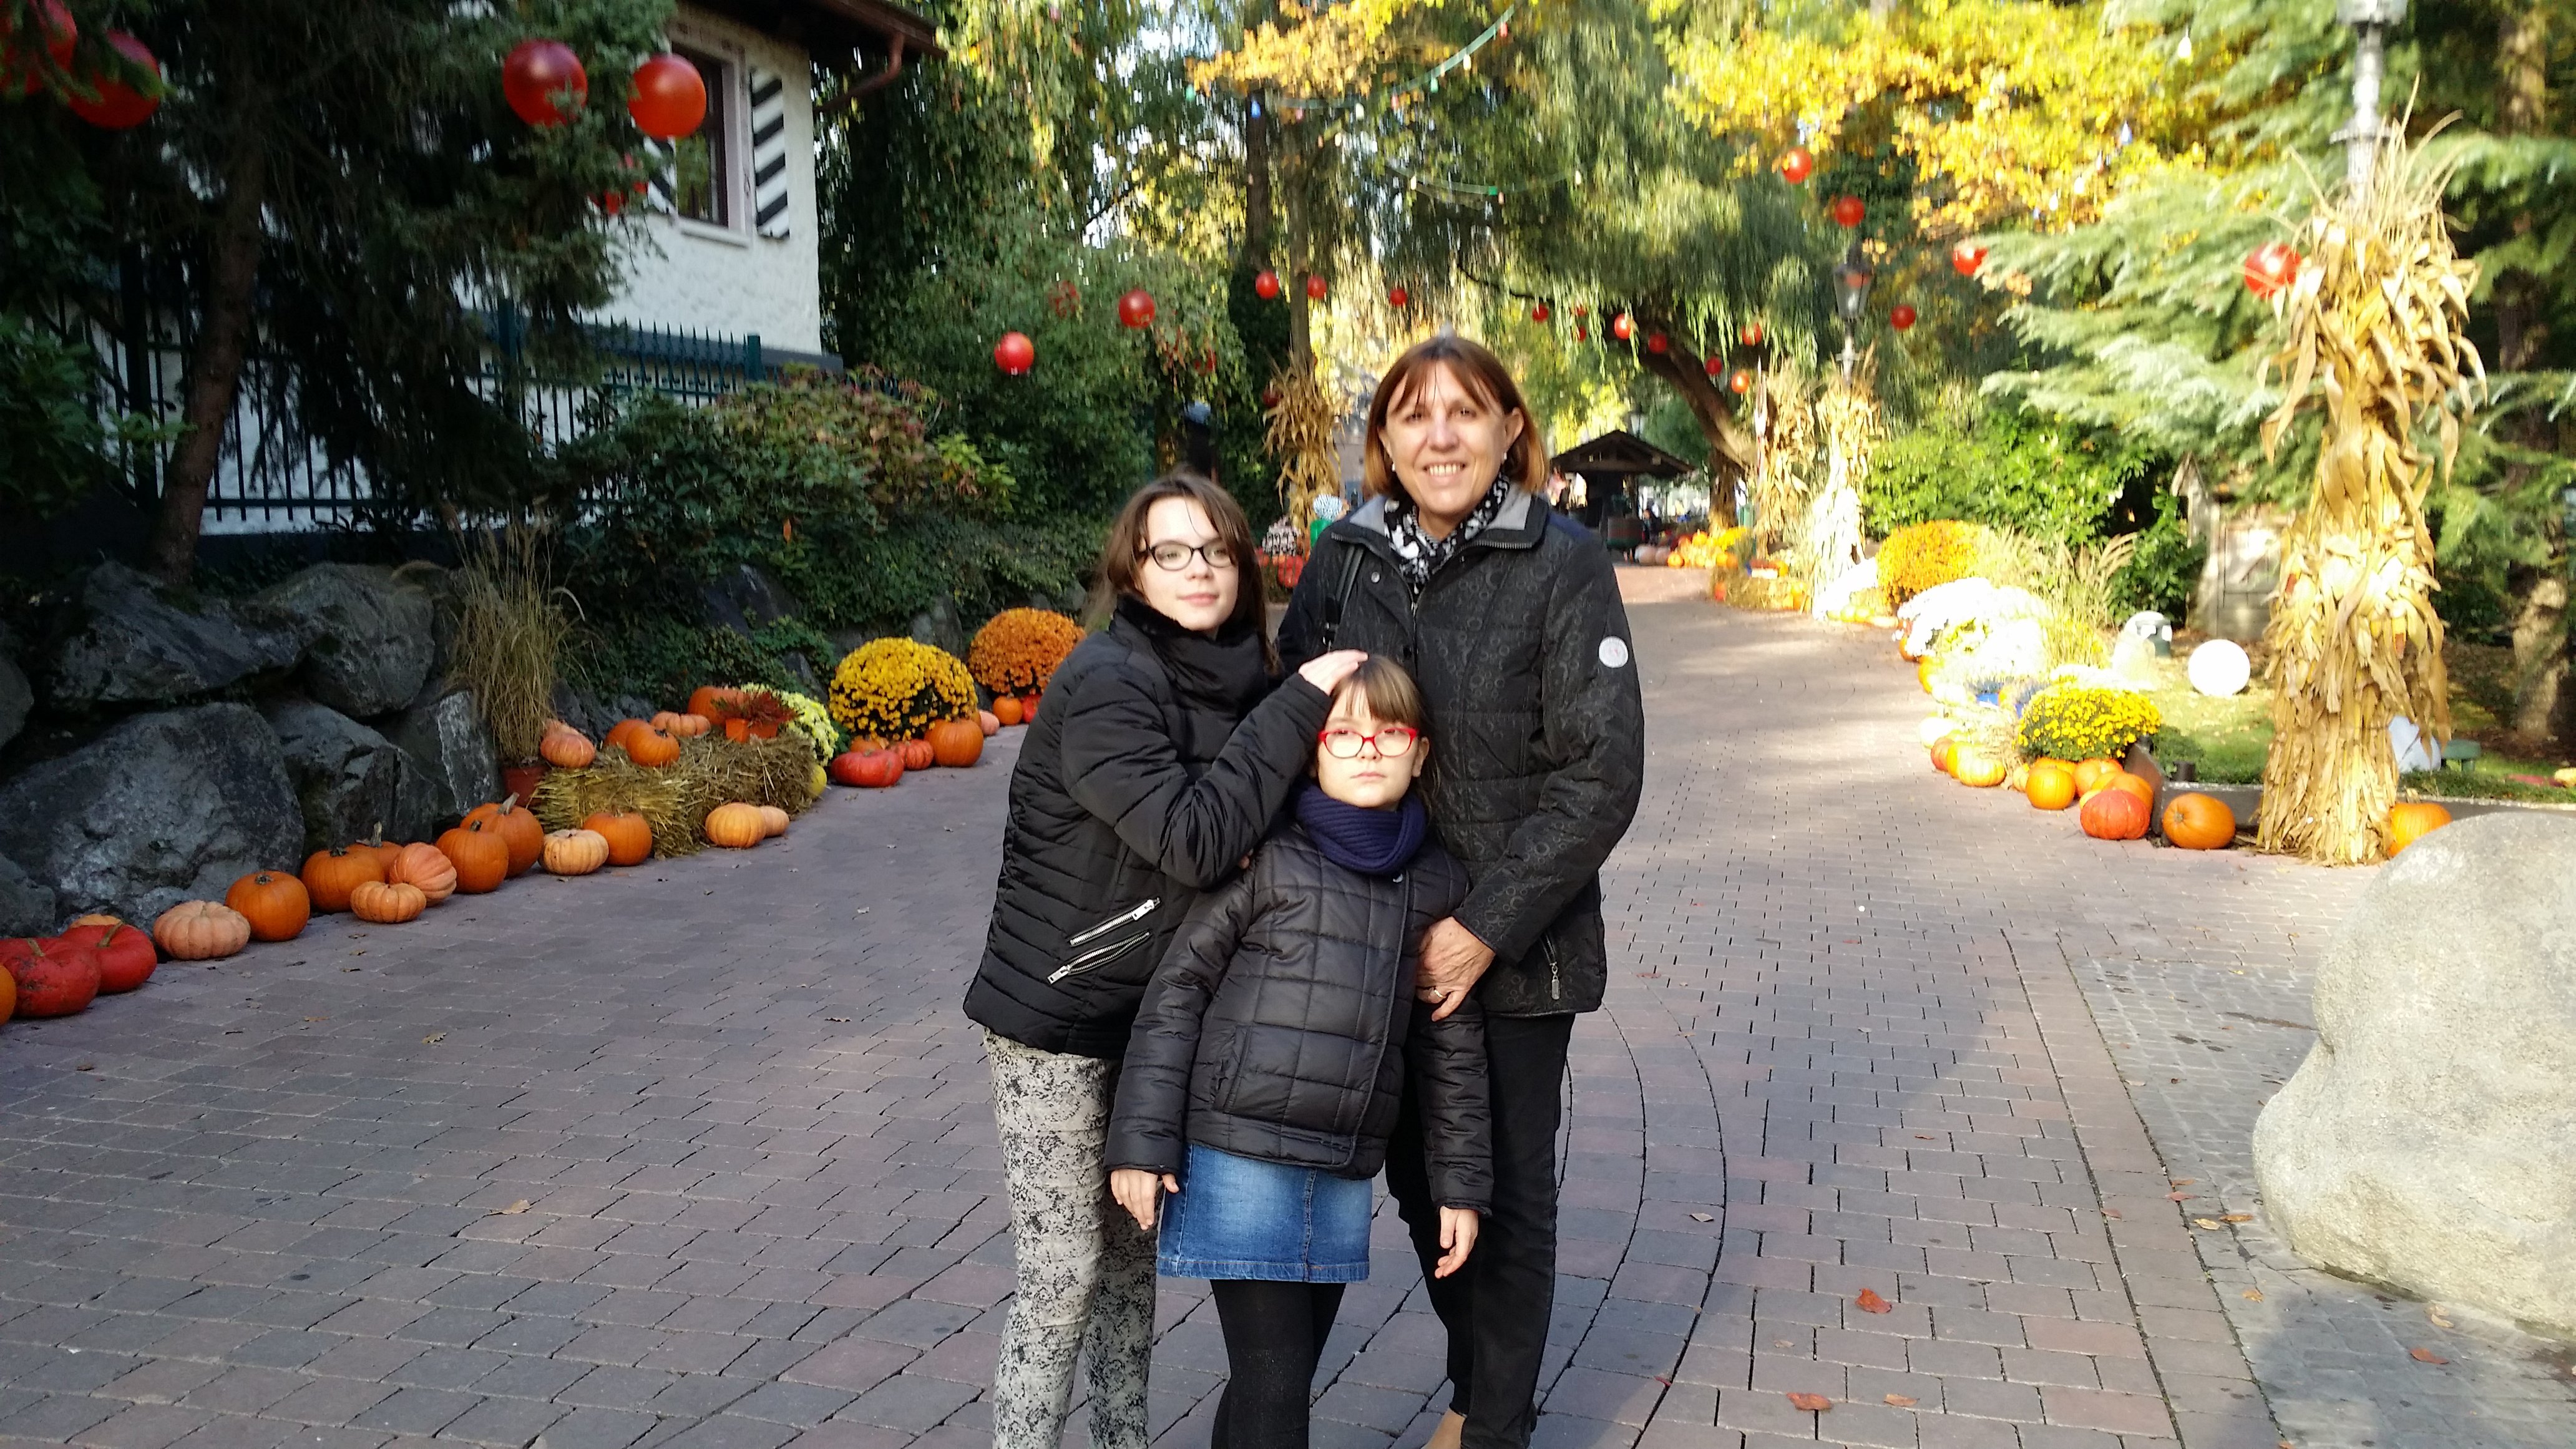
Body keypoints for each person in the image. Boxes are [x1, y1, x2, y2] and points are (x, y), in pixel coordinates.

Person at [1277, 336, 1646, 1449]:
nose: (1440, 436)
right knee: (1419, 1179)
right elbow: (1287, 724)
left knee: (1507, 1195)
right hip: (1370, 935)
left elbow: (1600, 773)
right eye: (1414, 415)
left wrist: (1482, 928)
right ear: (1384, 440)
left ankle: (1493, 1424)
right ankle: (1474, 1381)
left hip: (1517, 950)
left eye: (1465, 412)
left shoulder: (1562, 563)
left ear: (1508, 430)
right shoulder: (1344, 562)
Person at [965, 472, 1365, 1449]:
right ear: (1132, 571)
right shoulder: (1106, 681)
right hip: (1058, 1022)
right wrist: (1300, 703)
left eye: (1216, 550)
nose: (1198, 569)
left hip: (1154, 1021)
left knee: (1128, 1275)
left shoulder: (1237, 674)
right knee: (1064, 1276)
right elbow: (1194, 840)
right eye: (1171, 552)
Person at [1104, 658, 1492, 1449]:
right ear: (1313, 754)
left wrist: (1459, 1188)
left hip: (1340, 1169)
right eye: (1344, 733)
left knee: (1277, 1378)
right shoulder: (1269, 857)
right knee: (1275, 1379)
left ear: (1421, 753)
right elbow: (1177, 993)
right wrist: (1141, 1143)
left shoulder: (1438, 884)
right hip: (1239, 1155)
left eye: (1390, 733)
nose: (1367, 749)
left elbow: (1451, 1054)